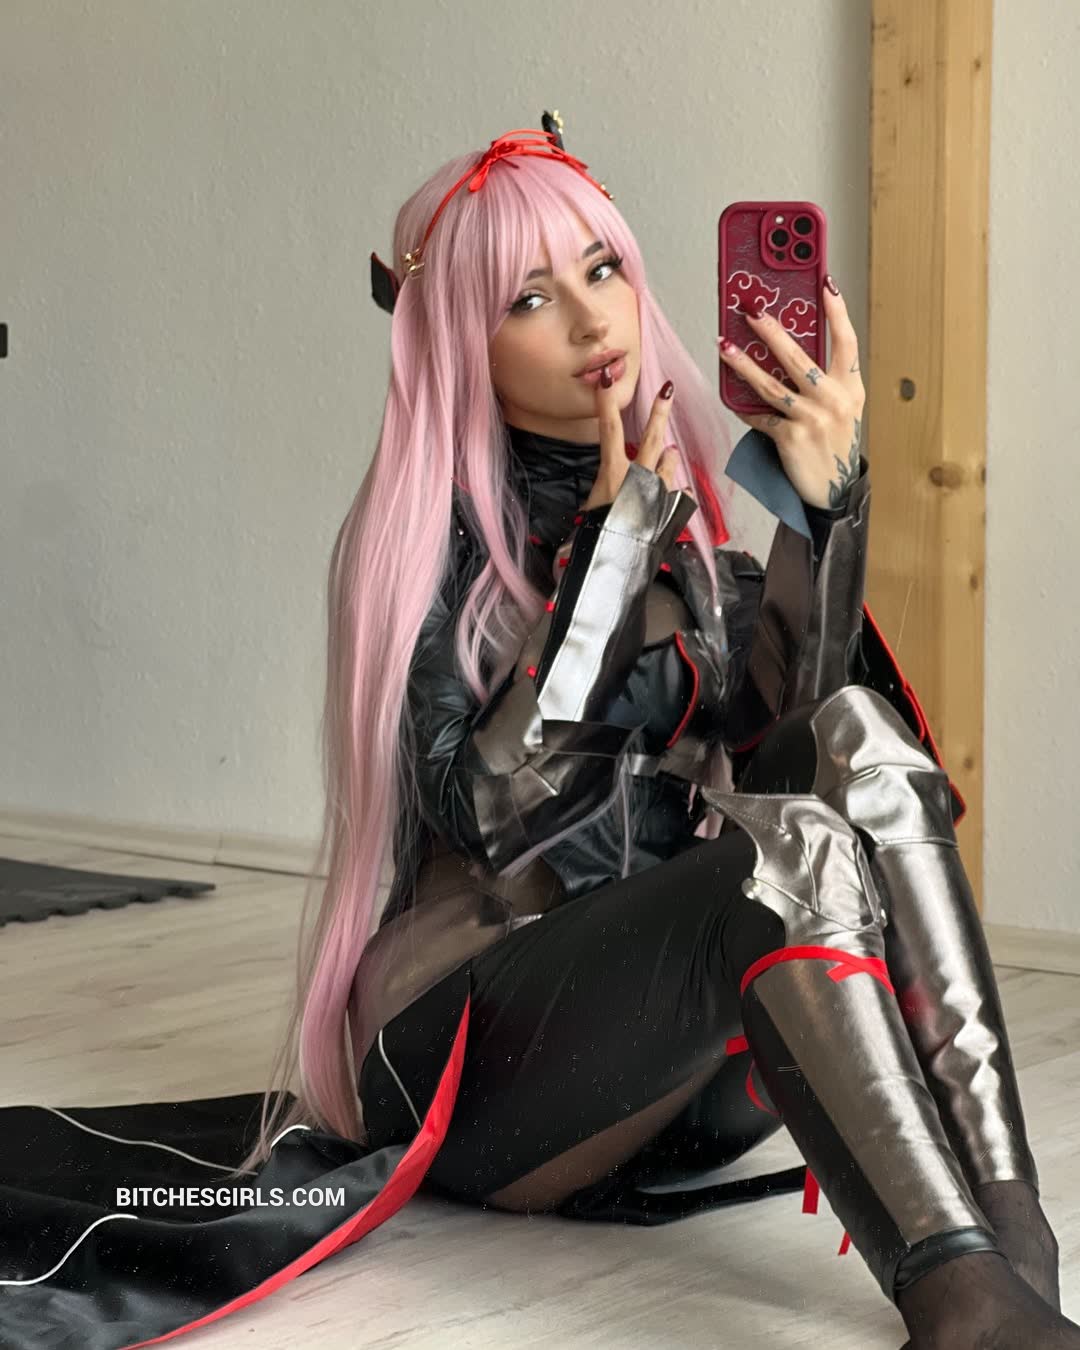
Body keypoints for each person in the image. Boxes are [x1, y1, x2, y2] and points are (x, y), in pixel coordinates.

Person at [0, 118, 1071, 1350]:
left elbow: (799, 755)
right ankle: (961, 1302)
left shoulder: (687, 539)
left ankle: (1012, 1226)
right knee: (791, 861)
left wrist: (824, 513)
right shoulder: (420, 549)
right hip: (476, 1071)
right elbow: (492, 819)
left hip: (669, 1088)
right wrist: (606, 564)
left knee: (855, 732)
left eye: (602, 269)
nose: (590, 317)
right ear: (463, 339)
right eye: (528, 297)